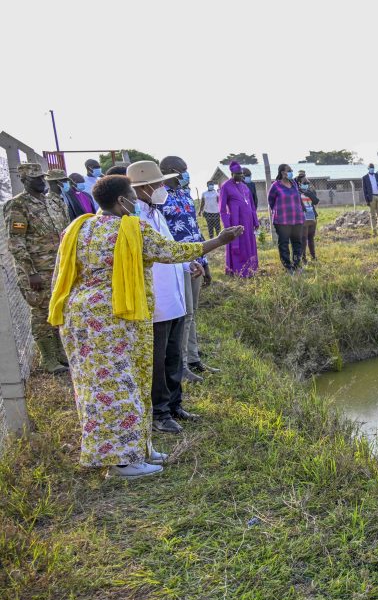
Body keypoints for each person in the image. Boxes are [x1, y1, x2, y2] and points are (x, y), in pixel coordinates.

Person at [49, 174, 242, 478]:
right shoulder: (132, 229)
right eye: (131, 197)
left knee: (98, 385)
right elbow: (173, 252)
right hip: (114, 316)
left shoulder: (78, 227)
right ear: (122, 200)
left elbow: (62, 271)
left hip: (79, 316)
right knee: (120, 385)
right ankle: (123, 462)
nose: (135, 203)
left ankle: (138, 447)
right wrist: (219, 240)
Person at [121, 162, 195, 435]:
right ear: (144, 187)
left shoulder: (156, 212)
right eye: (160, 184)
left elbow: (169, 248)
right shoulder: (133, 218)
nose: (163, 188)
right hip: (156, 301)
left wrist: (187, 265)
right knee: (159, 359)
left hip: (173, 296)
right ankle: (159, 413)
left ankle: (175, 405)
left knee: (174, 355)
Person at [3, 162, 70, 373]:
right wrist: (30, 272)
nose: (42, 182)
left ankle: (60, 353)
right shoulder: (18, 205)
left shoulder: (51, 202)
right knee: (41, 312)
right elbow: (16, 241)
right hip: (37, 271)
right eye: (36, 179)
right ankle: (48, 358)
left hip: (58, 268)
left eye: (42, 178)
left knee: (59, 307)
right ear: (24, 180)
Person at [158, 156, 215, 380]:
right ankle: (180, 366)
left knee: (192, 314)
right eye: (183, 170)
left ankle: (193, 359)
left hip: (195, 261)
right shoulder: (160, 197)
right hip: (176, 264)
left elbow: (195, 229)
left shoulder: (184, 194)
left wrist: (205, 262)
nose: (186, 174)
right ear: (171, 171)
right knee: (184, 314)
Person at [220, 161, 259, 277]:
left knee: (249, 244)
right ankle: (238, 271)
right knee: (238, 245)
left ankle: (251, 269)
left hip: (248, 221)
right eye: (238, 173)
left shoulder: (245, 186)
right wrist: (228, 226)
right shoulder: (226, 186)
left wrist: (255, 220)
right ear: (232, 173)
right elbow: (222, 209)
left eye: (242, 173)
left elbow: (252, 205)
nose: (241, 176)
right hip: (235, 222)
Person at [267, 164, 305, 271]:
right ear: (283, 172)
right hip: (282, 221)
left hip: (297, 219)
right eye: (289, 170)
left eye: (291, 170)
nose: (291, 172)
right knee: (284, 244)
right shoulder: (275, 186)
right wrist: (280, 211)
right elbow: (271, 201)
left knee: (297, 243)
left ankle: (297, 264)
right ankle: (288, 267)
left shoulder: (294, 184)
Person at [297, 172, 320, 260]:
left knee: (311, 237)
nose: (306, 185)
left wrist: (309, 194)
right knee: (304, 238)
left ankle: (313, 256)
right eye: (304, 183)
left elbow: (316, 201)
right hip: (303, 218)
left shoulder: (309, 192)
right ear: (299, 183)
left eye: (307, 183)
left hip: (312, 217)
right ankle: (303, 257)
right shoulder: (297, 193)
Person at [362, 163, 378, 234]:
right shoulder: (365, 178)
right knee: (372, 215)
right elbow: (364, 190)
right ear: (368, 169)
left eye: (373, 168)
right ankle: (374, 231)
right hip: (371, 197)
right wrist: (367, 201)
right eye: (370, 168)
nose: (372, 169)